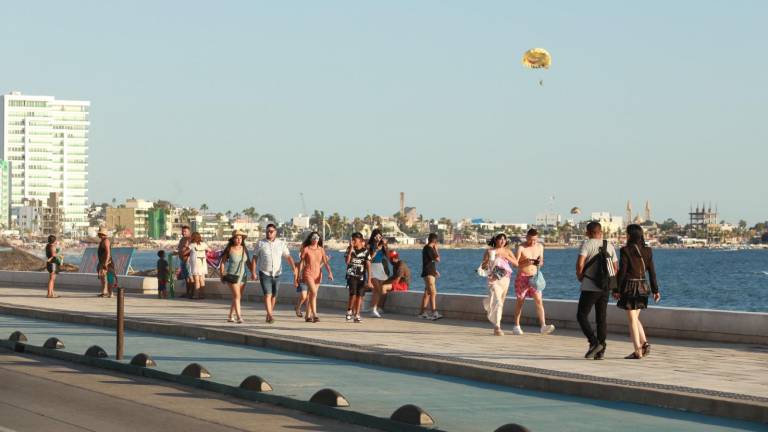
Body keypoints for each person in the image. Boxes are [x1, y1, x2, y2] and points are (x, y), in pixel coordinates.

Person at [615, 224, 661, 359]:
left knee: (632, 320)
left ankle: (637, 351)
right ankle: (645, 343)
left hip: (630, 287)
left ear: (630, 235)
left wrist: (617, 289)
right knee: (635, 318)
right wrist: (655, 290)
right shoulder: (648, 250)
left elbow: (622, 272)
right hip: (643, 287)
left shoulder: (625, 250)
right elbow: (652, 272)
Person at [575, 222, 618, 360]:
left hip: (589, 286)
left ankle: (593, 342)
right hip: (605, 287)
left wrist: (580, 276)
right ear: (600, 232)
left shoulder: (586, 244)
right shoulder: (609, 245)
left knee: (581, 315)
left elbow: (580, 264)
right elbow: (615, 267)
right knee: (601, 318)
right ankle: (601, 350)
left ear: (588, 232)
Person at [250, 223, 297, 324]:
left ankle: (269, 313)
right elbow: (254, 258)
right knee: (268, 294)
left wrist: (294, 268)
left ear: (275, 233)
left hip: (277, 273)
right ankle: (270, 315)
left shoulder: (281, 243)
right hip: (264, 272)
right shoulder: (260, 243)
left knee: (274, 296)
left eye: (271, 231)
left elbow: (288, 257)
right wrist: (253, 272)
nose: (269, 233)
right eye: (267, 231)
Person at [512, 229, 555, 335]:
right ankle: (516, 325)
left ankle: (543, 325)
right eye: (531, 240)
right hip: (522, 276)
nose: (533, 242)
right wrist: (525, 261)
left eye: (535, 240)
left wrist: (539, 262)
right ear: (527, 237)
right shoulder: (521, 247)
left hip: (535, 277)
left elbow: (542, 262)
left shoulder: (540, 247)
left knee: (539, 301)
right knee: (520, 301)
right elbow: (514, 264)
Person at [480, 233, 518, 336]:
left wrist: (505, 256)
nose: (502, 241)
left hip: (505, 279)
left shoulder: (507, 251)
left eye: (504, 240)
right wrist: (488, 260)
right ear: (496, 240)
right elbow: (483, 265)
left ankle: (497, 324)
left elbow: (516, 264)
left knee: (501, 302)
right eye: (500, 239)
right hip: (493, 279)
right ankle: (497, 327)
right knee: (498, 301)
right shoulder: (489, 251)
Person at [295, 231, 333, 323]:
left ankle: (308, 316)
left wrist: (330, 273)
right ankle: (315, 315)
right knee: (314, 292)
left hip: (318, 274)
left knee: (312, 295)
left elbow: (325, 262)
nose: (316, 239)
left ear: (319, 239)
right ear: (311, 239)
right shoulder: (306, 249)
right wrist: (299, 275)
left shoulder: (321, 249)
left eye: (317, 238)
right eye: (314, 237)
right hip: (308, 273)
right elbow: (301, 263)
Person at [220, 230, 250, 324]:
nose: (239, 240)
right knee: (237, 296)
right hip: (232, 276)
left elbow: (248, 262)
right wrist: (222, 274)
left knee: (237, 297)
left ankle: (230, 316)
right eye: (237, 238)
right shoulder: (230, 249)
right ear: (233, 239)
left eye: (240, 238)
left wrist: (253, 272)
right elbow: (223, 262)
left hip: (243, 276)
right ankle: (239, 317)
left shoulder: (244, 249)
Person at [370, 250, 410, 318]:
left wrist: (385, 284)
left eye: (390, 259)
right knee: (381, 285)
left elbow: (397, 280)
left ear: (394, 259)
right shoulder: (396, 264)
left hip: (403, 285)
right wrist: (385, 281)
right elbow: (393, 277)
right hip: (398, 283)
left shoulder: (401, 265)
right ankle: (375, 306)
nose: (389, 261)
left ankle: (380, 308)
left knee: (383, 287)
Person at [345, 232, 373, 323]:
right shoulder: (349, 249)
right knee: (353, 294)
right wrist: (351, 249)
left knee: (359, 296)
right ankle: (349, 310)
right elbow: (347, 262)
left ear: (361, 241)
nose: (353, 241)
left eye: (355, 240)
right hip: (351, 275)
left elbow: (368, 266)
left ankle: (357, 315)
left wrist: (369, 280)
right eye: (352, 240)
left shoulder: (366, 252)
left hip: (361, 277)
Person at [418, 233, 442, 320]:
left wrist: (435, 271)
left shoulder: (426, 248)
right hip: (429, 274)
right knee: (433, 292)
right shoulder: (430, 249)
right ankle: (434, 313)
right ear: (435, 241)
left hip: (429, 272)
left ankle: (422, 313)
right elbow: (438, 259)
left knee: (427, 293)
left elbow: (428, 262)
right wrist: (436, 250)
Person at [188, 232, 209, 299]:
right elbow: (209, 250)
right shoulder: (204, 244)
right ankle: (202, 295)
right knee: (201, 279)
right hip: (203, 262)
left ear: (193, 237)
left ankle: (196, 295)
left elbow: (186, 252)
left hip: (196, 263)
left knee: (196, 280)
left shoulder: (192, 245)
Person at [176, 225, 194, 298]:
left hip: (188, 261)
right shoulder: (182, 239)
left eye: (185, 231)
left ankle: (191, 293)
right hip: (182, 260)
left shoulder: (190, 239)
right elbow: (180, 249)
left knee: (190, 277)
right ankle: (187, 292)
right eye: (182, 231)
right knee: (186, 278)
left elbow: (191, 250)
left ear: (189, 232)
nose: (183, 233)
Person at [96, 227, 113, 298]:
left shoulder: (106, 241)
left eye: (99, 234)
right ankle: (104, 292)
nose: (98, 235)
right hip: (103, 262)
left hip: (107, 262)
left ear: (102, 234)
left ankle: (110, 293)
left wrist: (105, 263)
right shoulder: (102, 241)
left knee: (109, 278)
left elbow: (108, 253)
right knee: (103, 277)